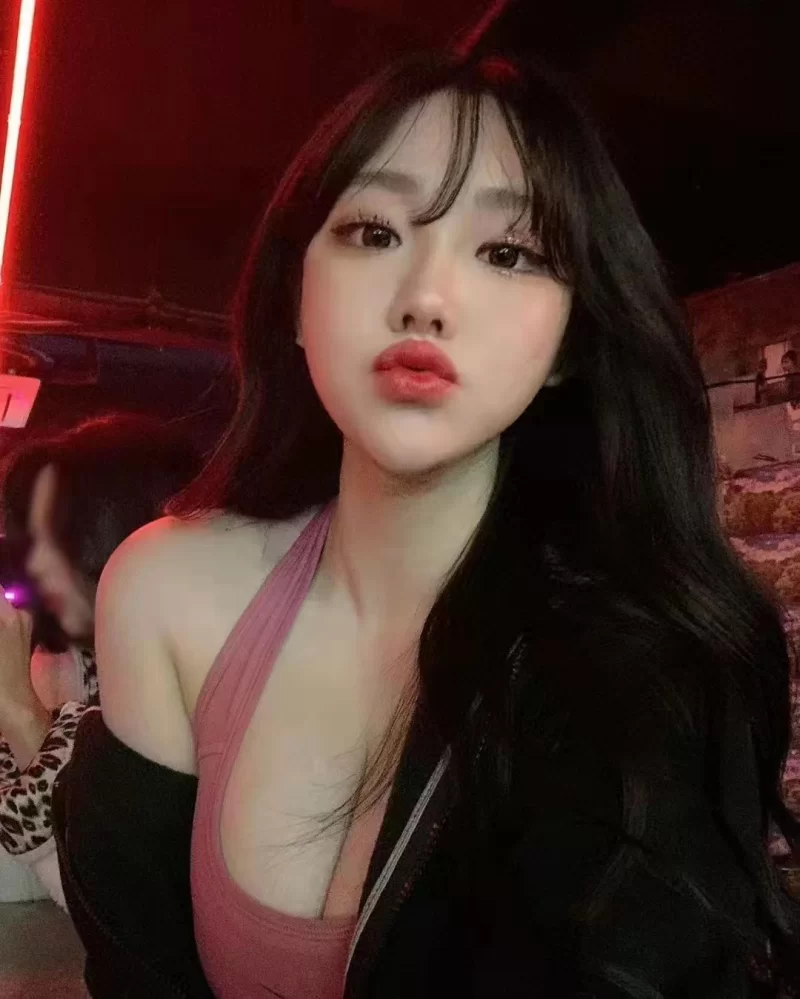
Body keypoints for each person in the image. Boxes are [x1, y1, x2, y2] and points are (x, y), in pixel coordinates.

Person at [54, 51, 800, 999]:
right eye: (373, 231)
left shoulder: (648, 667)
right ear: (295, 297)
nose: (426, 297)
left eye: (508, 253)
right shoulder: (166, 592)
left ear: (569, 341)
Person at [0, 413, 200, 908]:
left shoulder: (217, 693)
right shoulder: (61, 664)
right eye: (34, 539)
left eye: (64, 539)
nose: (37, 563)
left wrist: (20, 713)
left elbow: (122, 911)